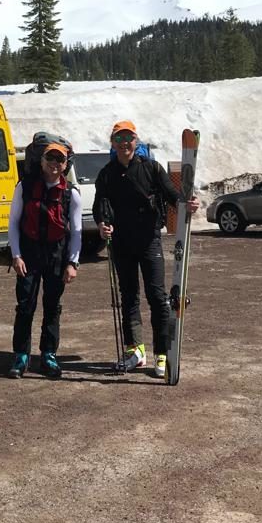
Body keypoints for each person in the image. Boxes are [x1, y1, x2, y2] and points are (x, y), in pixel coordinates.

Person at [93, 120, 200, 378]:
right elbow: (99, 206)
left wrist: (187, 204)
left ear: (136, 141)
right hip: (121, 244)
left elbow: (172, 194)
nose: (124, 143)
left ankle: (161, 353)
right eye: (119, 139)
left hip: (149, 240)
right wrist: (101, 226)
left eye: (128, 138)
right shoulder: (106, 174)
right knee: (128, 297)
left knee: (157, 297)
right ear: (113, 144)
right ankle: (135, 350)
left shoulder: (151, 168)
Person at [7, 142, 83, 378]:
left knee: (52, 307)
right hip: (29, 253)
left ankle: (48, 355)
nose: (54, 163)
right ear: (41, 161)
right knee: (25, 306)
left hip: (56, 255)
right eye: (50, 158)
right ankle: (21, 355)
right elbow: (13, 222)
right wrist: (16, 255)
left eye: (59, 160)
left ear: (65, 165)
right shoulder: (25, 186)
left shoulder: (71, 193)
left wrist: (72, 262)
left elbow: (77, 230)